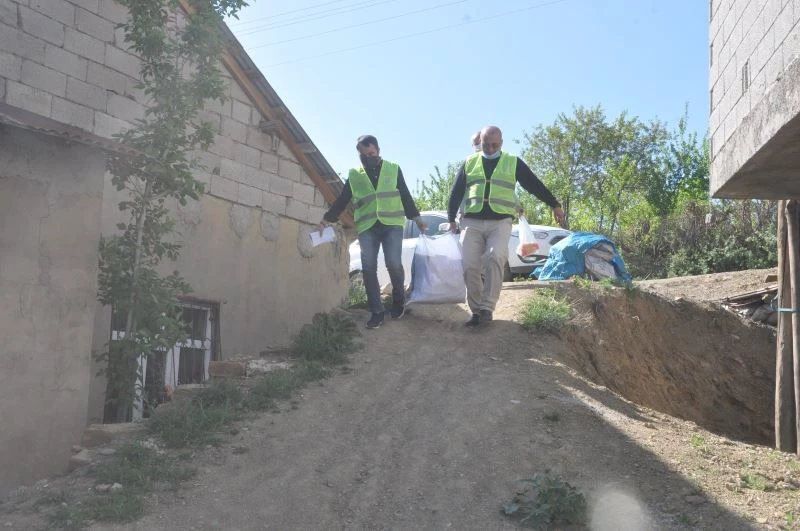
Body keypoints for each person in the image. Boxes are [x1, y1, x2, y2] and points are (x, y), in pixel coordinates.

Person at [448, 125, 566, 327]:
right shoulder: (470, 162)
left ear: (501, 143)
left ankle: (487, 308)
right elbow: (457, 190)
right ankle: (476, 311)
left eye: (495, 145)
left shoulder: (512, 162)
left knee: (496, 257)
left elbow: (533, 184)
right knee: (469, 266)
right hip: (472, 222)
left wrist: (554, 204)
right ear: (480, 143)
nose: (491, 149)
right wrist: (451, 217)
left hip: (500, 222)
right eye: (486, 145)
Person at [319, 135, 426, 329]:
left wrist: (416, 218)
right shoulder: (354, 174)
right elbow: (343, 199)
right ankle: (376, 312)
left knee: (393, 263)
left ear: (378, 150)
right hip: (367, 227)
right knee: (368, 269)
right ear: (358, 154)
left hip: (391, 224)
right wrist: (327, 219)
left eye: (371, 153)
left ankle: (398, 301)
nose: (368, 157)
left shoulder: (393, 168)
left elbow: (405, 194)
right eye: (363, 154)